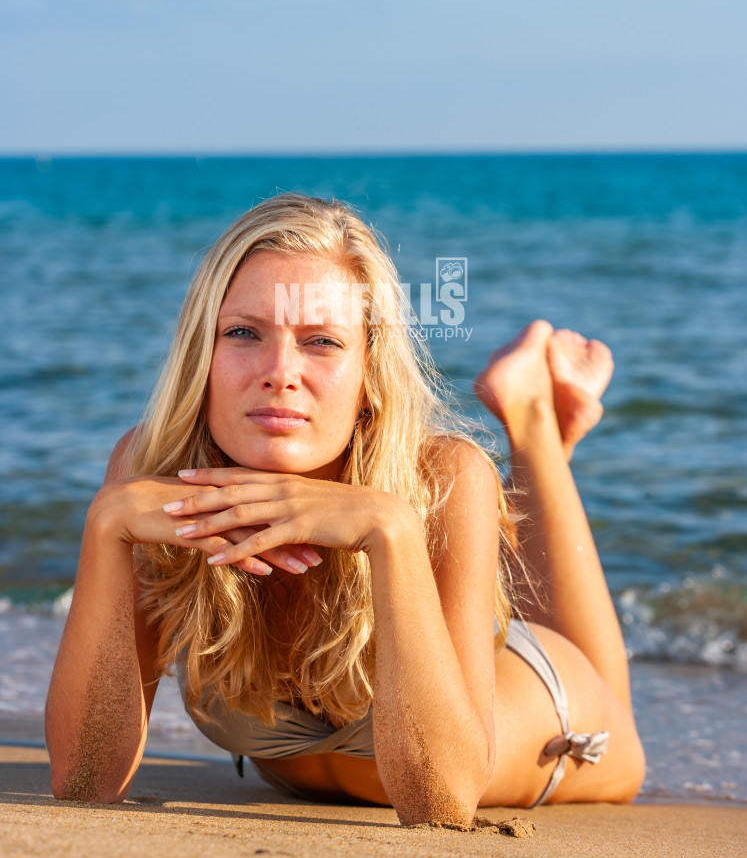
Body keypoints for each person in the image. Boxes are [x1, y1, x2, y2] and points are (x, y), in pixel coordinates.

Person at [45, 193, 645, 825]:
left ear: (370, 375)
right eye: (244, 333)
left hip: (540, 706)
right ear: (203, 353)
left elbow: (441, 805)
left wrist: (390, 529)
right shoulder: (147, 474)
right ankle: (539, 416)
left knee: (611, 705)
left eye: (322, 342)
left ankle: (534, 419)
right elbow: (84, 779)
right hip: (326, 772)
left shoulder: (440, 480)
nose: (279, 372)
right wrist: (106, 525)